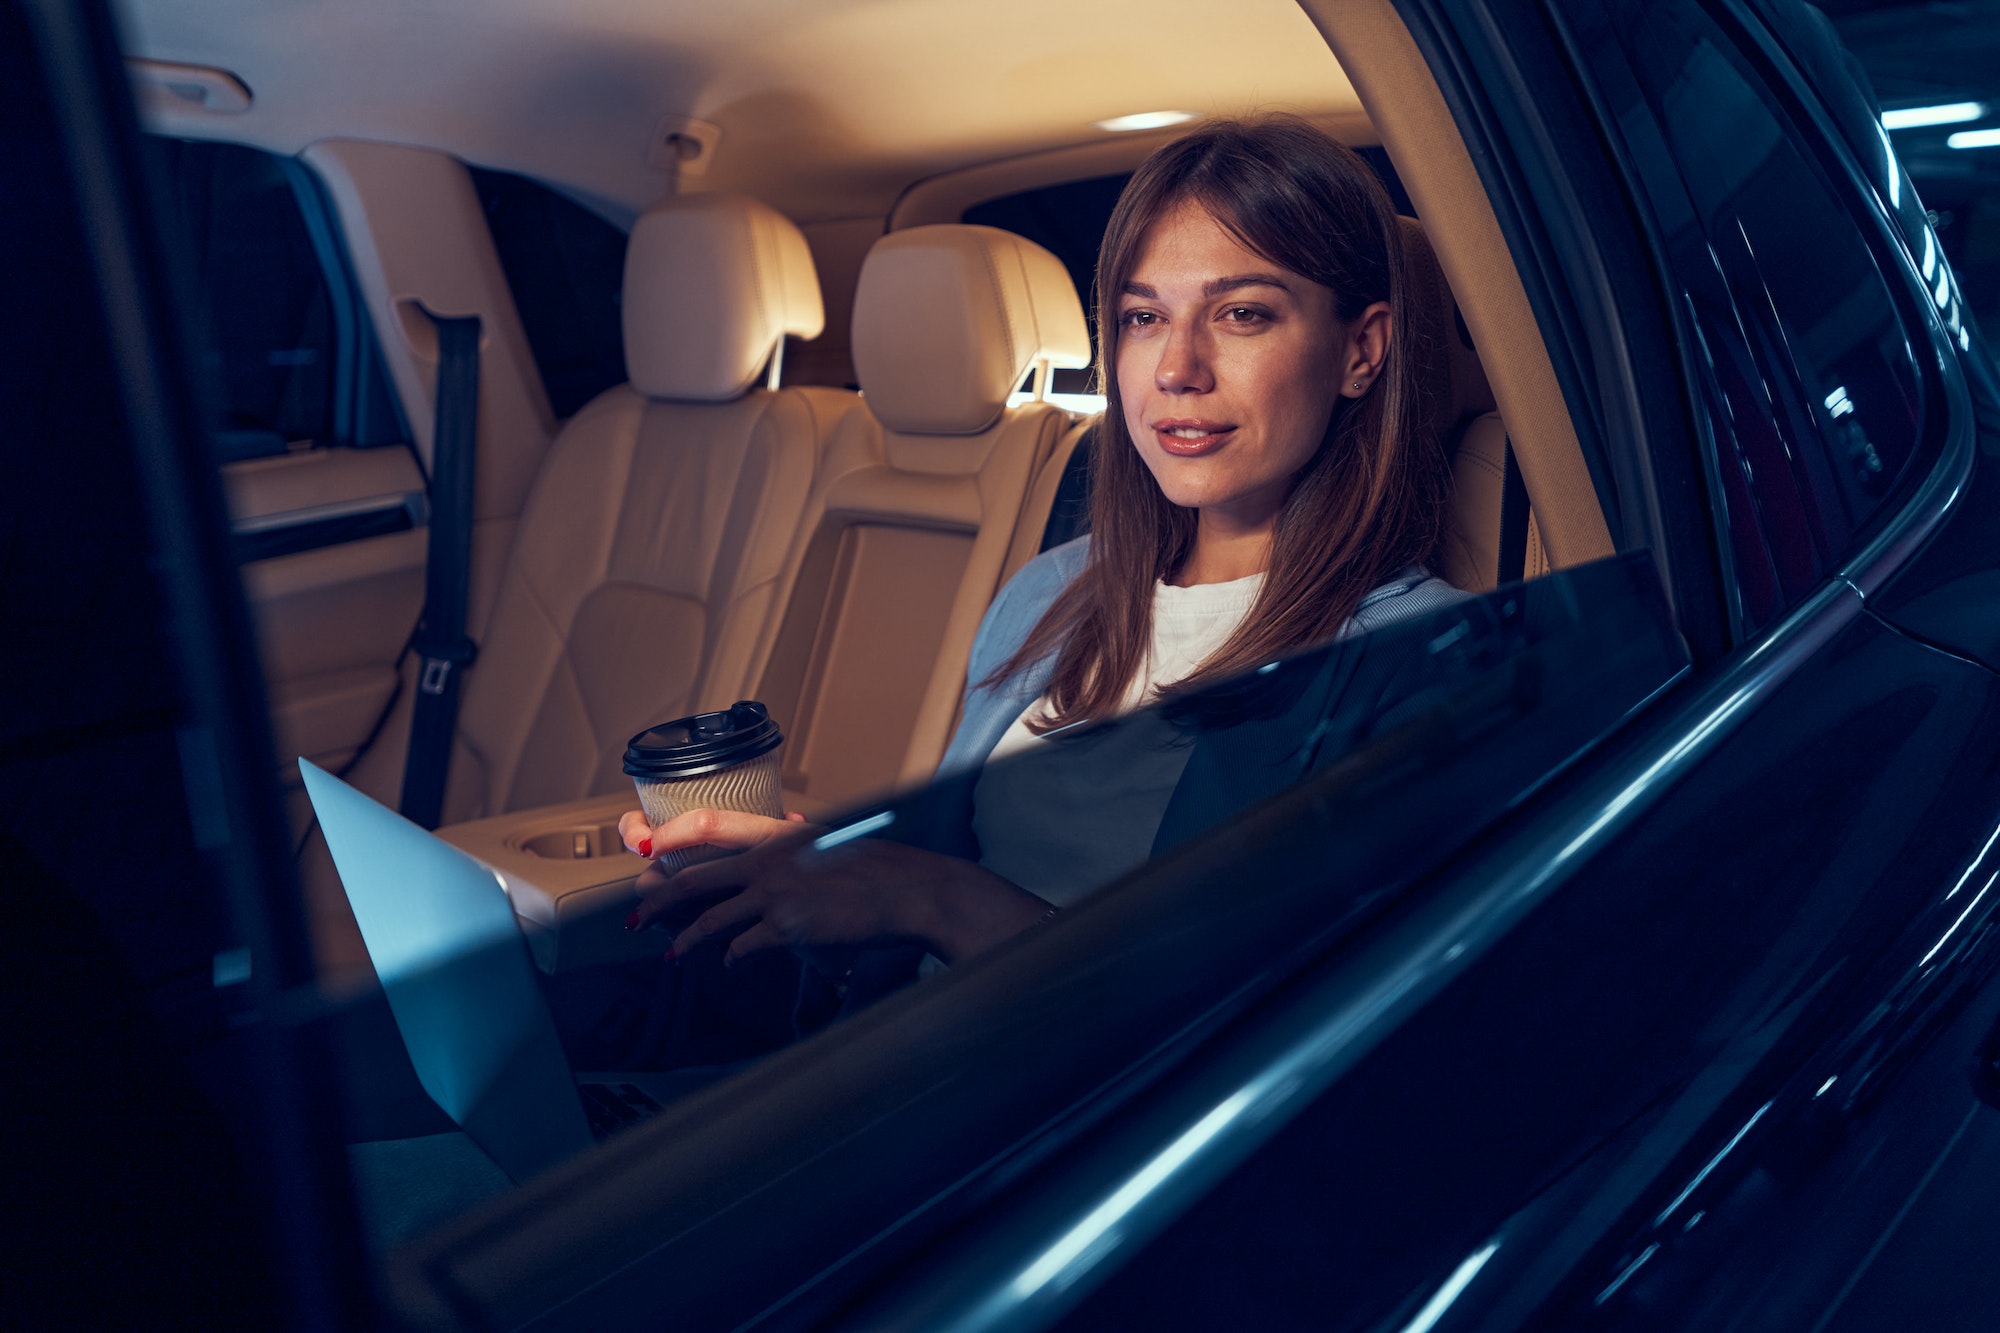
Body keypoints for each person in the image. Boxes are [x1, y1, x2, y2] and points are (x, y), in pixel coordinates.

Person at [620, 116, 1462, 981]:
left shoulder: (1431, 661)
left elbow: (1266, 1012)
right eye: (1143, 317)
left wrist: (932, 897)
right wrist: (808, 881)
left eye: (1242, 313)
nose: (1176, 368)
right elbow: (914, 915)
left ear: (1361, 350)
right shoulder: (1052, 590)